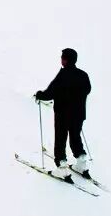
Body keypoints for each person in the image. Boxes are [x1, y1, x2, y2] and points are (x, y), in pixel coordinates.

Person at [34, 48, 92, 179]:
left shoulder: (62, 76)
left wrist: (39, 94)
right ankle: (82, 163)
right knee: (75, 137)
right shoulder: (83, 75)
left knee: (60, 139)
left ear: (65, 60)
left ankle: (62, 168)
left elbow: (50, 93)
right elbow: (88, 90)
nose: (61, 59)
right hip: (79, 114)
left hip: (63, 114)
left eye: (62, 57)